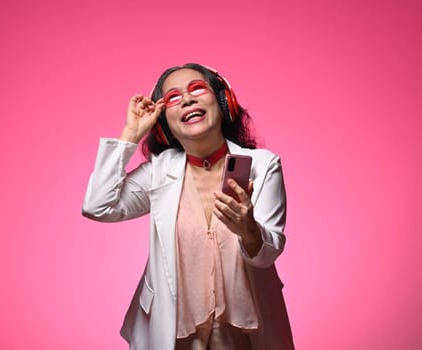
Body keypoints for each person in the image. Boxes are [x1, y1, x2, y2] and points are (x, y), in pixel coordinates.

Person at [82, 63, 294, 350]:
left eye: (197, 89)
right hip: (173, 334)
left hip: (244, 338)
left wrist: (249, 230)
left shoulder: (263, 166)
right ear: (164, 121)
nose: (188, 99)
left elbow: (267, 254)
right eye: (173, 97)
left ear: (224, 102)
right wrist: (130, 135)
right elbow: (98, 205)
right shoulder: (158, 173)